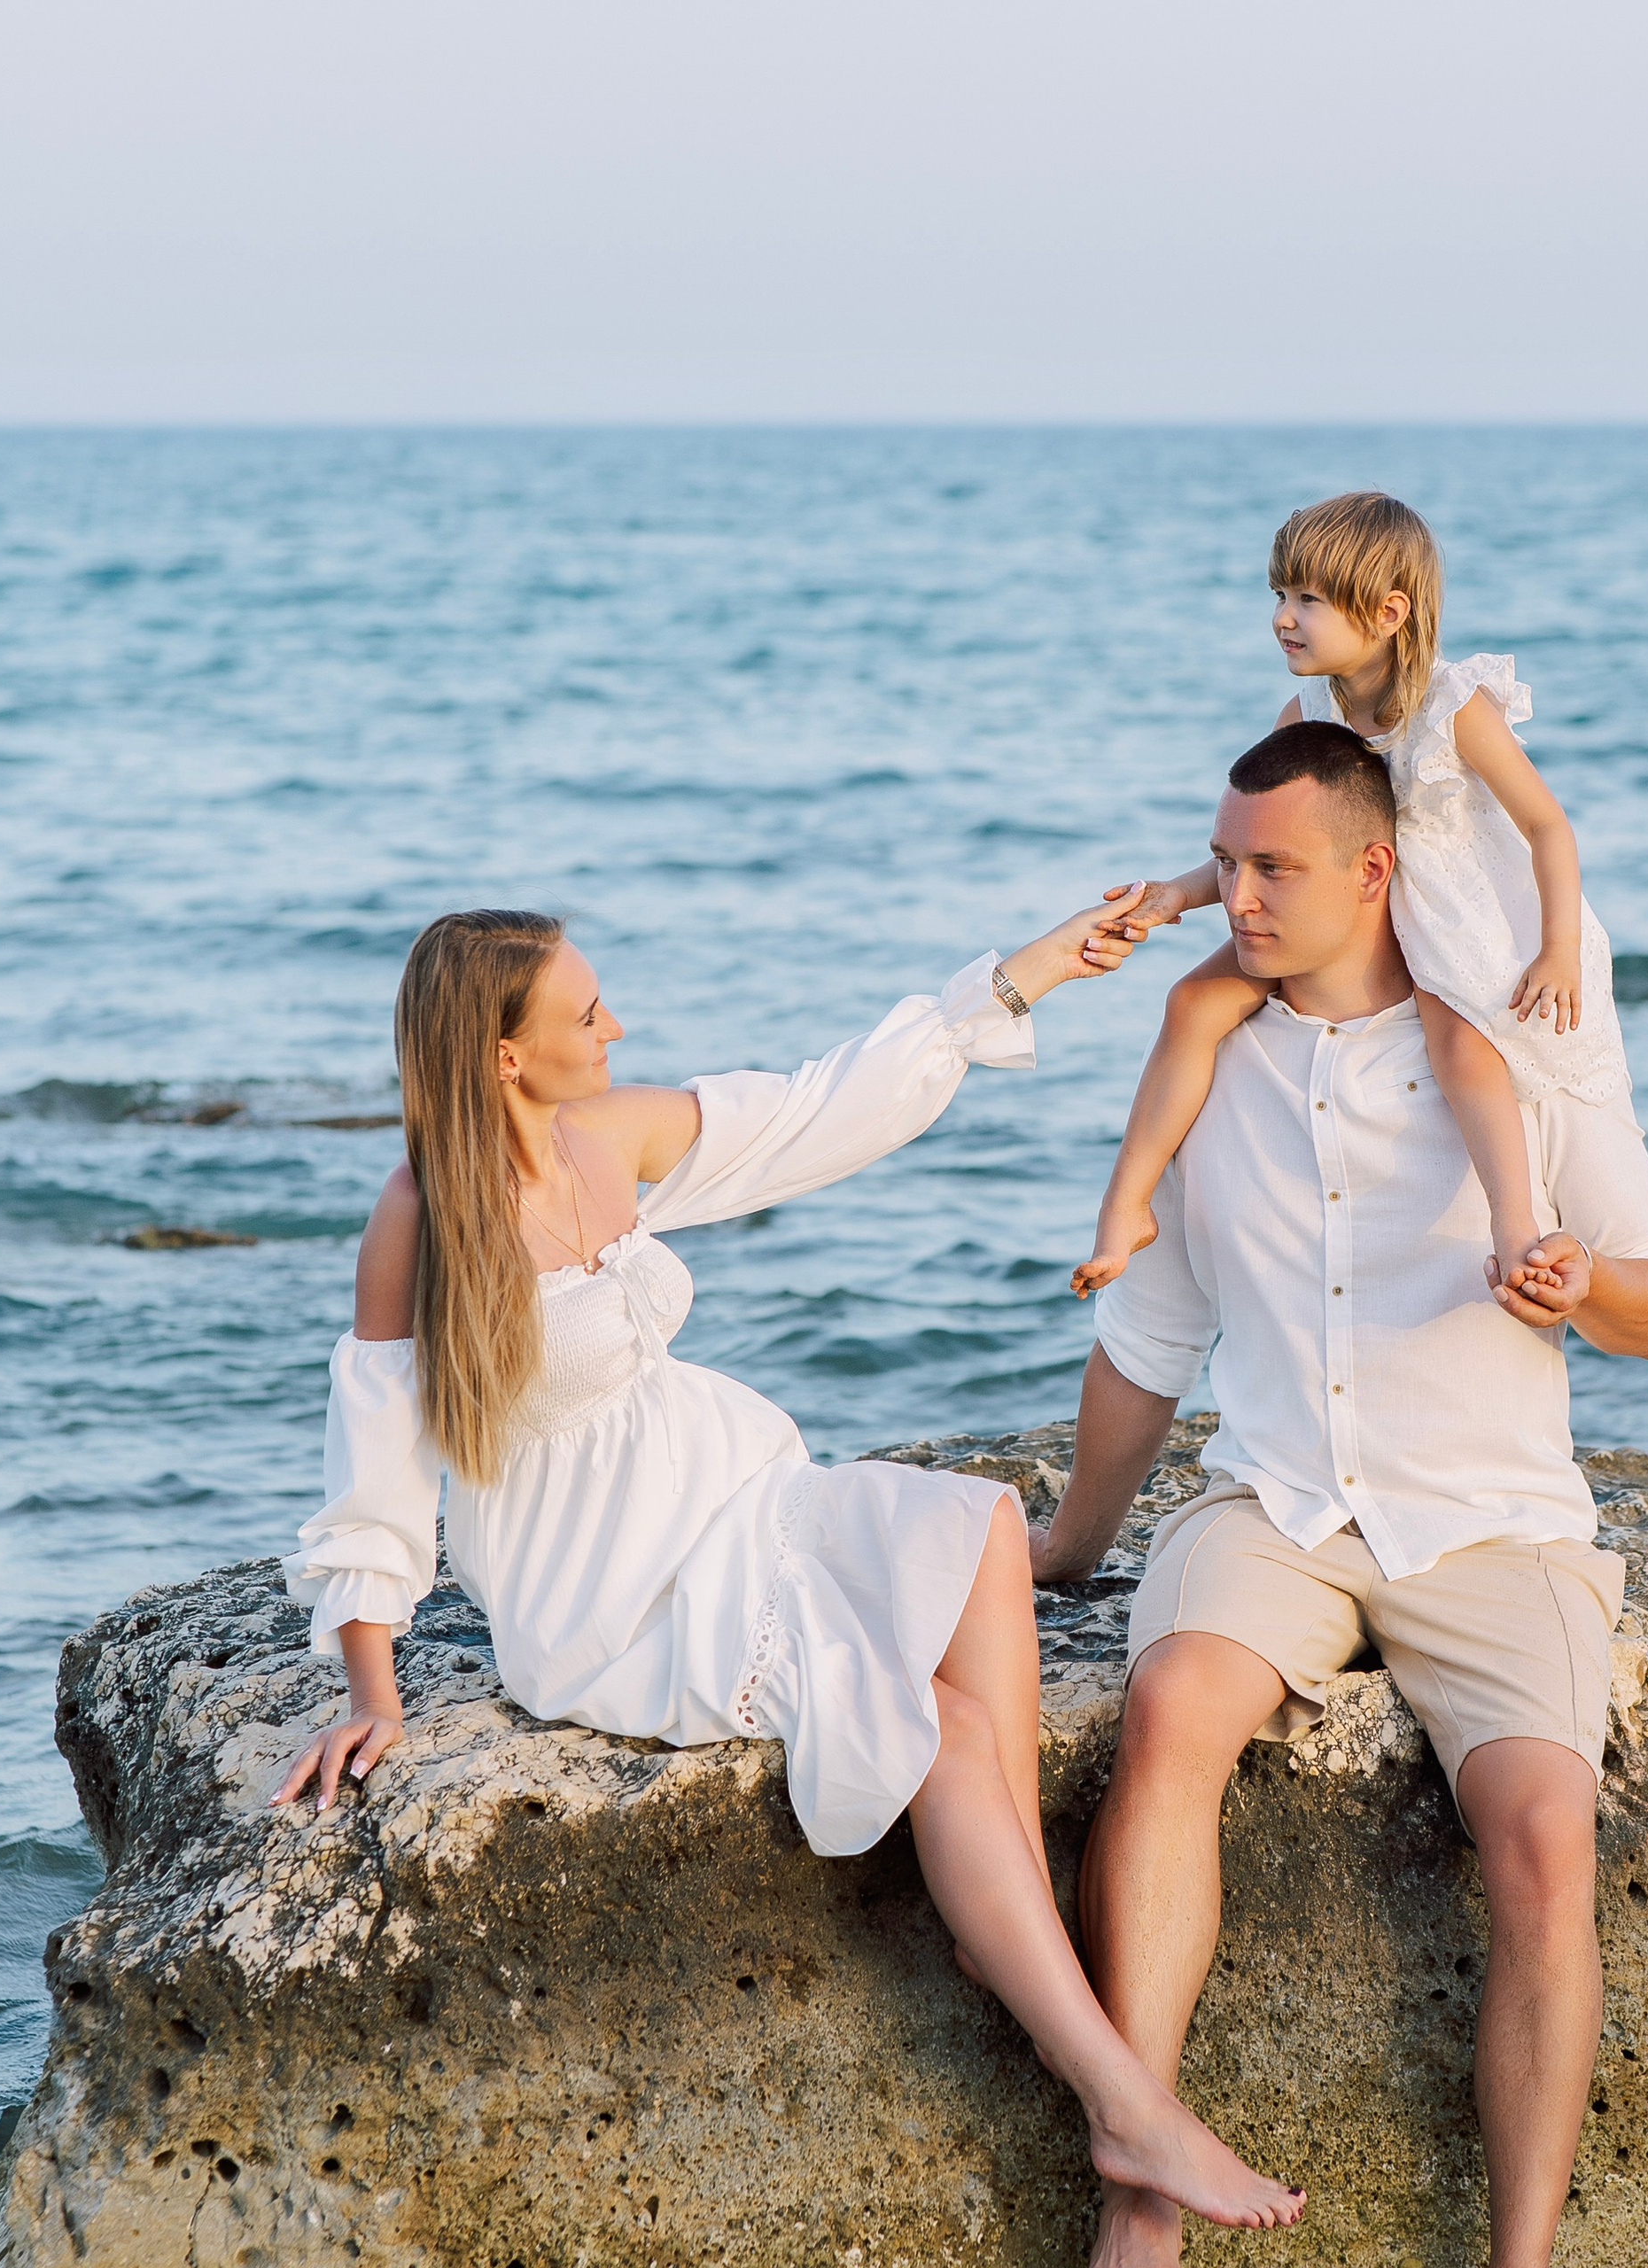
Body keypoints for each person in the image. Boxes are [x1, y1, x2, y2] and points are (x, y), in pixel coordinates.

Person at [268, 900, 1305, 2237]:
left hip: (731, 1485)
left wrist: (1024, 974)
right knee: (940, 1727)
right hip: (612, 1588)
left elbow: (822, 1109)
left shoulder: (609, 1133)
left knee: (985, 1522)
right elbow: (376, 1481)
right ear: (504, 1054)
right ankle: (1118, 2100)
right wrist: (374, 1686)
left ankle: (1033, 1949)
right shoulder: (417, 1217)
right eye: (586, 1014)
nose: (617, 1027)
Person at [1030, 728, 1648, 2268]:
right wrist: (1074, 1542)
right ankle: (1142, 2198)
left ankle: (1519, 2259)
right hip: (1276, 1502)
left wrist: (1576, 1282)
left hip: (1493, 1520)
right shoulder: (1210, 1058)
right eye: (1229, 863)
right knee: (1171, 1710)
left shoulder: (1516, 1057)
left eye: (1272, 870)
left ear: (1374, 871)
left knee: (1541, 1835)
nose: (1236, 898)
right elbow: (1148, 1339)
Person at [1075, 488, 1629, 1306]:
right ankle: (1126, 1208)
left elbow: (1550, 829)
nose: (1282, 618)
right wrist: (1174, 896)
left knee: (1460, 1046)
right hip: (1338, 910)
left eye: (1309, 599)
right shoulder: (1306, 710)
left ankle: (1516, 1226)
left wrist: (1557, 950)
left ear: (1388, 611)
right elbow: (1266, 847)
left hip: (1453, 914)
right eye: (1279, 596)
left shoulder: (1453, 707)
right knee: (1193, 1001)